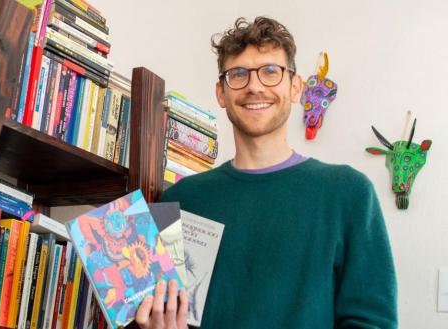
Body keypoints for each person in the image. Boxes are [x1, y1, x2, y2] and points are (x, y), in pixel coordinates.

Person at [135, 16, 397, 329]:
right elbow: (154, 311)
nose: (255, 86)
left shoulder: (350, 192)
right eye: (238, 74)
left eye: (271, 71)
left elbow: (373, 322)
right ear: (221, 92)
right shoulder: (178, 199)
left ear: (295, 87)